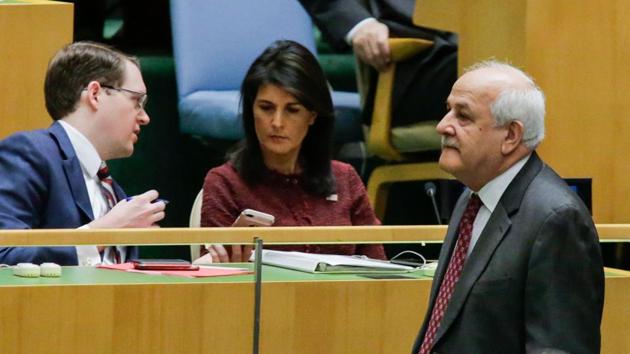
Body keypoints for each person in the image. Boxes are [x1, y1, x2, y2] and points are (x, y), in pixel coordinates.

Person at [411, 61, 604, 354]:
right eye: (448, 110)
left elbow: (558, 347)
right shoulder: (473, 195)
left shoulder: (556, 219)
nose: (442, 125)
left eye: (462, 115)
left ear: (511, 135)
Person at [200, 40, 385, 263]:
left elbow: (380, 267)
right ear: (251, 109)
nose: (277, 122)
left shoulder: (345, 179)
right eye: (266, 108)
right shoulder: (224, 183)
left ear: (312, 115)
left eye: (292, 110)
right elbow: (212, 282)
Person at [0, 41, 166, 266]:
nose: (145, 117)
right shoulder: (30, 153)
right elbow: (5, 254)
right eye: (136, 101)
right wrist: (106, 231)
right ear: (95, 94)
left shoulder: (112, 190)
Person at [298, 0, 457, 128]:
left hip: (470, 46)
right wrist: (359, 24)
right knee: (477, 74)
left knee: (479, 67)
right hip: (412, 68)